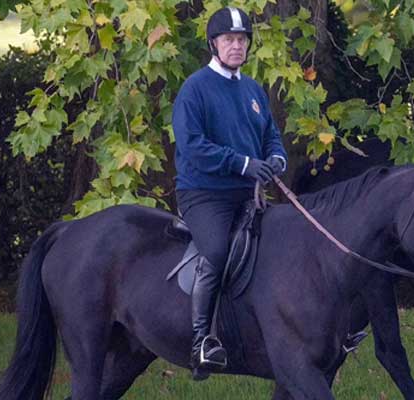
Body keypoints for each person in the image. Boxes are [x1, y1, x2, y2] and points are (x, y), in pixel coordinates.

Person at [172, 6, 287, 381]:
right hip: (204, 194)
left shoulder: (253, 90)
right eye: (229, 40)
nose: (237, 46)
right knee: (218, 251)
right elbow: (193, 147)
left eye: (242, 40)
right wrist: (243, 164)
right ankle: (201, 341)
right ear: (214, 44)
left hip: (247, 193)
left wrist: (276, 158)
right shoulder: (195, 88)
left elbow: (270, 133)